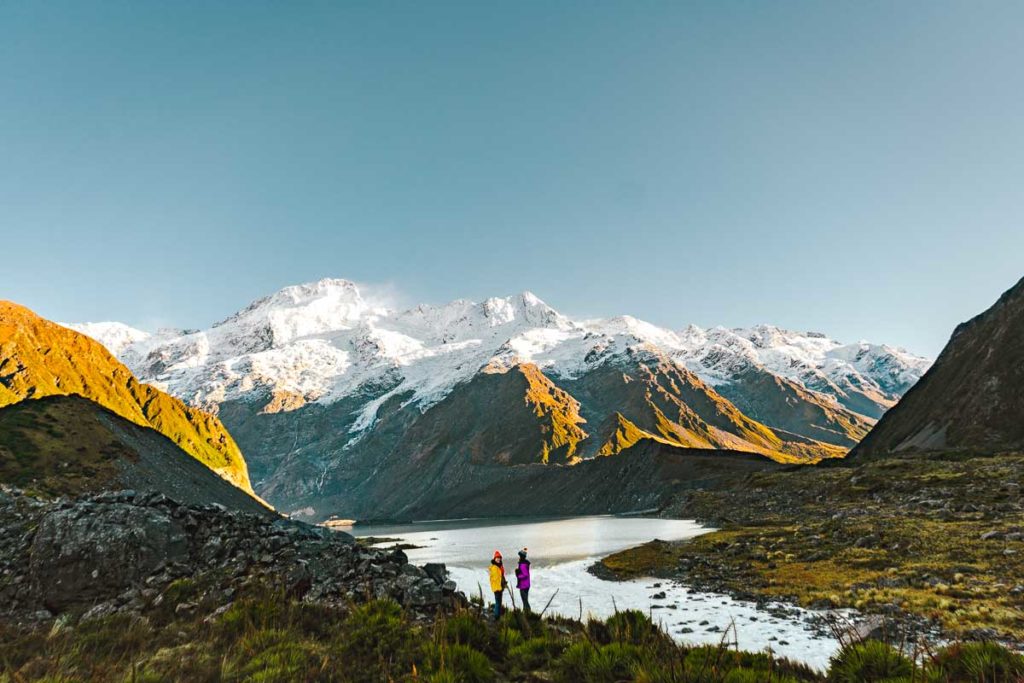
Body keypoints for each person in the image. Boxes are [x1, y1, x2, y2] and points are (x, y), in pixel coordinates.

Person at [488, 550, 506, 619]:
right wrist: (499, 586)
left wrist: (503, 584)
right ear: (494, 559)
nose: (498, 559)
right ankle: (496, 617)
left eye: (499, 558)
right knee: (498, 602)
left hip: (500, 587)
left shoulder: (500, 566)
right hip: (497, 587)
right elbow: (495, 579)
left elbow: (501, 576)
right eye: (497, 558)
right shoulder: (494, 567)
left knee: (499, 602)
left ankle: (497, 615)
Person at [515, 547, 531, 613]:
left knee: (525, 600)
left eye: (519, 556)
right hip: (526, 584)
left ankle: (528, 612)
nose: (518, 557)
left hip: (523, 585)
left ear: (521, 557)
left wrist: (518, 575)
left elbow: (525, 574)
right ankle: (526, 612)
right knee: (525, 599)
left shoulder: (523, 565)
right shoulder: (524, 563)